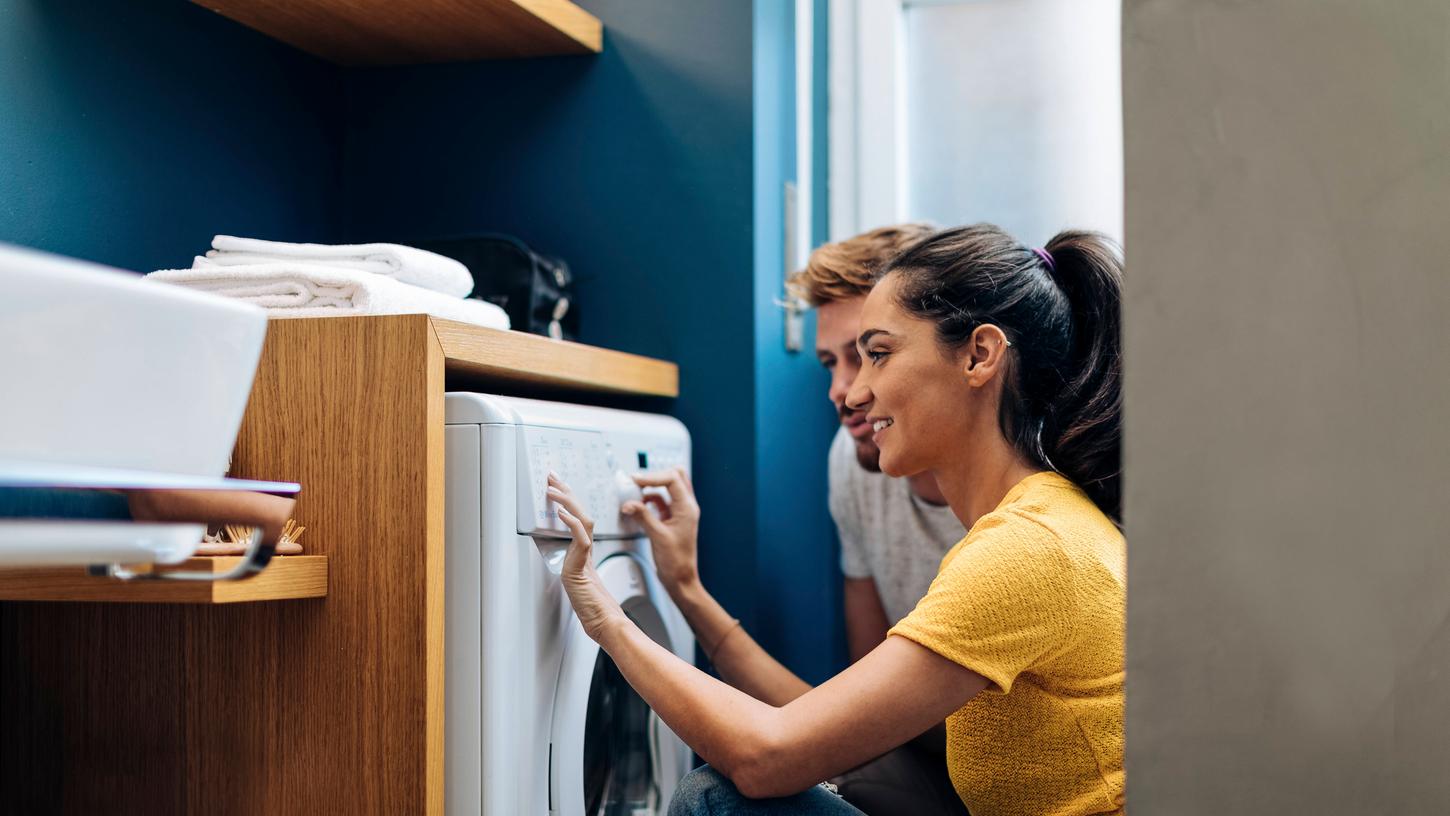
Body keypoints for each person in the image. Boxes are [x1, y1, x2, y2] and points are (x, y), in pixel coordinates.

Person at [548, 224, 1125, 816]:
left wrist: (606, 620)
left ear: (979, 355)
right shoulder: (1029, 521)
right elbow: (847, 731)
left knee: (718, 802)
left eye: (877, 354)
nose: (850, 393)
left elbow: (765, 756)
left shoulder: (1027, 549)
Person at [789, 225, 968, 814]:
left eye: (873, 355)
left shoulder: (1026, 518)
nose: (845, 391)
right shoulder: (852, 464)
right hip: (923, 757)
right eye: (831, 363)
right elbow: (867, 699)